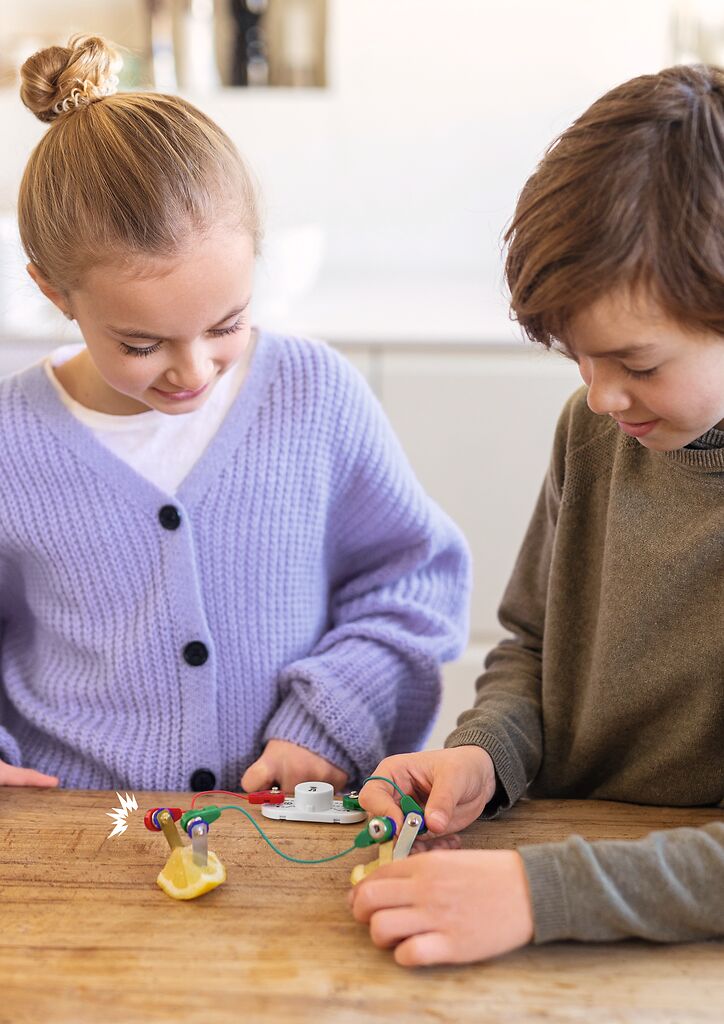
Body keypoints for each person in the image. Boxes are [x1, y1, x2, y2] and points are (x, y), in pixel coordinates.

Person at [0, 35, 471, 794]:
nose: (193, 371)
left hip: (282, 830)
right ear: (56, 293)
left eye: (226, 324)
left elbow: (411, 583)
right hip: (72, 840)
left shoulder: (314, 395)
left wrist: (326, 723)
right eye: (143, 343)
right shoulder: (11, 440)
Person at [350, 63, 724, 966]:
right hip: (549, 883)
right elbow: (532, 649)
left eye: (635, 363)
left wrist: (537, 892)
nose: (599, 398)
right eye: (577, 359)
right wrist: (485, 756)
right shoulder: (595, 432)